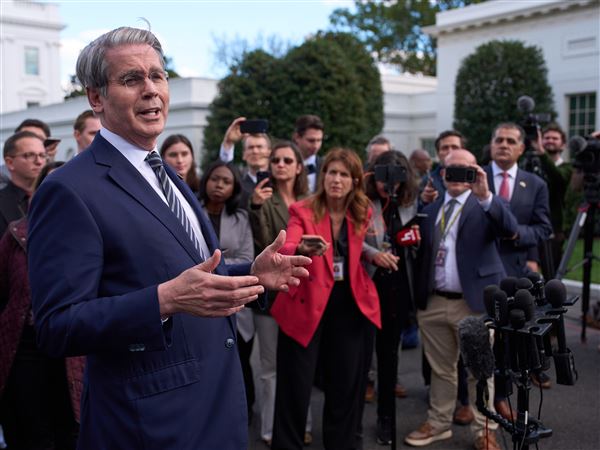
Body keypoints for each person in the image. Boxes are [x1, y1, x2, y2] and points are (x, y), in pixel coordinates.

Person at [26, 26, 311, 449]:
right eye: (131, 79)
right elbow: (57, 326)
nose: (151, 90)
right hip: (150, 425)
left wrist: (251, 274)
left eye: (157, 76)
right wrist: (162, 301)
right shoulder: (68, 189)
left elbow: (189, 275)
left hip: (218, 406)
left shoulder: (169, 176)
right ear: (96, 97)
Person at [405, 149, 518, 450]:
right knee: (441, 369)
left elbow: (510, 229)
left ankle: (484, 430)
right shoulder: (430, 209)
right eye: (451, 170)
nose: (457, 176)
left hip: (473, 304)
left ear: (476, 173)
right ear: (442, 174)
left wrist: (485, 195)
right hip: (434, 302)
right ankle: (439, 423)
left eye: (465, 170)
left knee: (479, 370)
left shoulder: (485, 205)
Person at [271, 148, 382, 450]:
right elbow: (289, 244)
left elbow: (367, 251)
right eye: (331, 172)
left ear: (355, 180)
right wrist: (300, 249)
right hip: (305, 305)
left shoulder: (363, 211)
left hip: (349, 305)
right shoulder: (303, 210)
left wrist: (379, 256)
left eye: (344, 174)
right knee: (295, 389)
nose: (336, 179)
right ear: (322, 177)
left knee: (345, 387)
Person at [0, 161, 85, 450]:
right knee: (32, 430)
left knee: (72, 428)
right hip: (25, 346)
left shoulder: (93, 234)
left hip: (74, 345)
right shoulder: (16, 233)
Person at [248, 140, 310, 446]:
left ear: (299, 166)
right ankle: (271, 429)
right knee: (270, 366)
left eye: (287, 160)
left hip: (304, 292)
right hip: (272, 293)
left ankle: (302, 423)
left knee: (301, 363)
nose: (280, 164)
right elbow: (263, 245)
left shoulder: (310, 200)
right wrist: (257, 207)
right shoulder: (262, 199)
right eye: (276, 160)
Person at [363, 150, 419, 445]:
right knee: (360, 356)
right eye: (384, 176)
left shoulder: (410, 205)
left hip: (398, 289)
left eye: (396, 177)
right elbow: (352, 241)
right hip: (367, 285)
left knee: (389, 358)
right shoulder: (363, 203)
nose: (390, 185)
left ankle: (386, 418)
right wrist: (374, 255)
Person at [198, 160, 256, 421]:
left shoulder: (241, 217)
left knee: (240, 363)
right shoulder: (191, 210)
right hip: (200, 300)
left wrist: (211, 265)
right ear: (205, 181)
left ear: (234, 188)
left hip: (236, 301)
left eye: (226, 181)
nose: (219, 185)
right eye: (214, 179)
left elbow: (247, 258)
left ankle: (243, 413)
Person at [536, 123, 573, 277]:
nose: (550, 140)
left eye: (555, 138)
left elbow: (558, 178)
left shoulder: (568, 167)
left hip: (554, 230)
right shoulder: (533, 165)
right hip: (531, 227)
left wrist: (541, 153)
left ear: (563, 144)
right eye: (546, 138)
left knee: (551, 275)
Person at [0, 131, 47, 236]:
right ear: (10, 162)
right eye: (29, 155)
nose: (39, 161)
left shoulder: (54, 196)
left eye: (42, 155)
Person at [420, 130, 465, 206]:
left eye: (455, 147)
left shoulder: (476, 179)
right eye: (445, 148)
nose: (450, 151)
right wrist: (425, 201)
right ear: (438, 153)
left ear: (463, 151)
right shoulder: (428, 181)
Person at [292, 114, 325, 192]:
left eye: (319, 140)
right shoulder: (282, 164)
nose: (316, 146)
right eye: (311, 140)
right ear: (297, 137)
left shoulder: (325, 166)